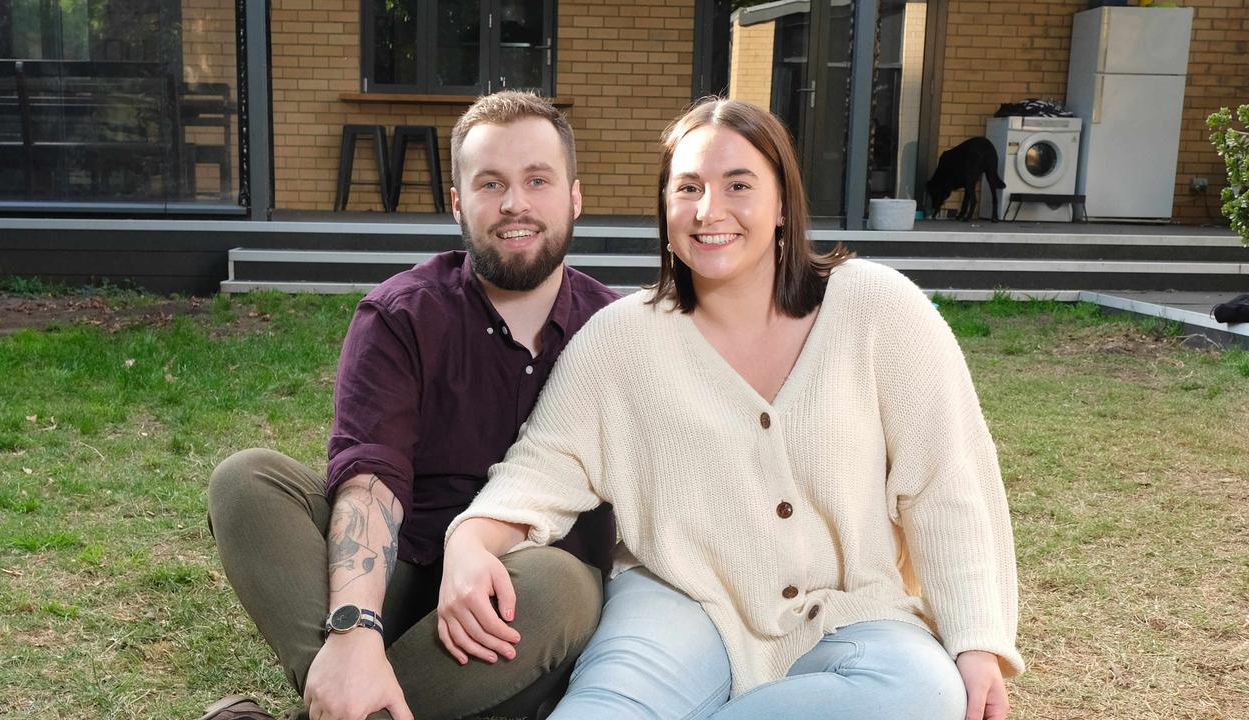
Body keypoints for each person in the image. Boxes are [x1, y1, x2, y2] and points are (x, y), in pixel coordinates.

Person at [439, 98, 1025, 720]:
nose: (708, 210)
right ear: (666, 209)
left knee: (925, 694)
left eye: (738, 184)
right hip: (677, 604)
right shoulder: (619, 341)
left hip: (856, 611)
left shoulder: (877, 308)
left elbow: (947, 483)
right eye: (687, 187)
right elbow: (541, 467)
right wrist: (471, 542)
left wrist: (976, 643)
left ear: (781, 203)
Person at [204, 91, 618, 720]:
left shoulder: (620, 331)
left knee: (560, 583)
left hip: (523, 606)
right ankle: (361, 672)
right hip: (404, 573)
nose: (515, 204)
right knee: (247, 481)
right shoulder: (402, 315)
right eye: (490, 183)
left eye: (538, 179)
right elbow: (372, 481)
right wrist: (355, 628)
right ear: (458, 202)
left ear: (574, 196)